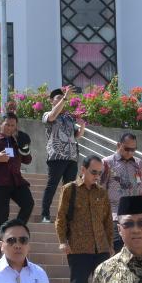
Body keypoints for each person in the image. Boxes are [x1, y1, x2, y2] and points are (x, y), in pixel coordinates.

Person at [55, 155, 113, 283]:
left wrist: (109, 245)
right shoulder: (69, 189)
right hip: (78, 247)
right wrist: (62, 241)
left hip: (100, 247)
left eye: (100, 173)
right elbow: (61, 217)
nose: (97, 176)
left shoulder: (102, 192)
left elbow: (107, 220)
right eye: (93, 172)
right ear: (83, 170)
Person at [40, 86, 85, 222]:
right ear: (51, 101)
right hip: (57, 156)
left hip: (71, 157)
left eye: (63, 98)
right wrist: (65, 97)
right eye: (58, 98)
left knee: (70, 189)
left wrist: (82, 126)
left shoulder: (69, 117)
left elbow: (76, 136)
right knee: (52, 185)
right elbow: (53, 116)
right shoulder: (47, 114)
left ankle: (67, 217)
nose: (62, 100)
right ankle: (45, 215)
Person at [101, 133, 142, 250]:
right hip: (114, 215)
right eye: (127, 149)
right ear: (118, 145)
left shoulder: (139, 163)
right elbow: (100, 189)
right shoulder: (107, 163)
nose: (130, 153)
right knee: (118, 247)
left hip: (135, 215)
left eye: (133, 149)